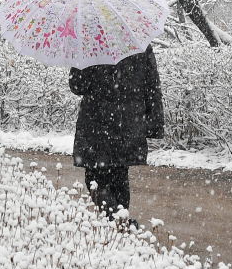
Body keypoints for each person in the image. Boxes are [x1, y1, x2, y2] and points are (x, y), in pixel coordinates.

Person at [69, 45, 164, 221]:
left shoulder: (90, 44)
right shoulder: (139, 44)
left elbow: (77, 86)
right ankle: (120, 224)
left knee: (95, 179)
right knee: (120, 174)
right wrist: (153, 124)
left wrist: (81, 59)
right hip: (128, 123)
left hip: (96, 123)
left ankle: (117, 222)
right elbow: (152, 86)